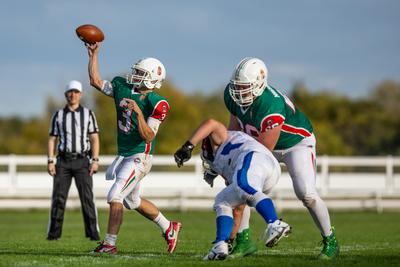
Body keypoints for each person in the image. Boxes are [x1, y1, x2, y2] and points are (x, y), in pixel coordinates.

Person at [224, 57, 339, 259]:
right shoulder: (232, 97)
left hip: (295, 144)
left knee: (307, 194)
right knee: (240, 186)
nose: (240, 92)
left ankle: (330, 240)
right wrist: (226, 156)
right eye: (238, 87)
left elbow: (264, 149)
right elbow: (234, 129)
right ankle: (244, 242)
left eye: (245, 87)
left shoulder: (271, 104)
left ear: (259, 84)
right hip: (261, 143)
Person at [85, 42, 181, 255]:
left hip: (140, 156)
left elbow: (149, 136)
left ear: (151, 78)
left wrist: (138, 112)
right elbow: (95, 81)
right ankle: (169, 227)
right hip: (124, 155)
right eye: (136, 71)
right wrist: (94, 54)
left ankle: (109, 244)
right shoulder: (123, 86)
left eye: (140, 73)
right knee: (133, 201)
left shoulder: (157, 102)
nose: (134, 75)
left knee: (115, 196)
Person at [174, 118, 291, 260]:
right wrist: (230, 239)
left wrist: (189, 145)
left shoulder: (220, 140)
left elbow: (211, 123)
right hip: (265, 174)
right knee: (223, 201)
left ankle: (275, 223)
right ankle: (220, 244)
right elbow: (239, 208)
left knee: (243, 185)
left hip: (257, 157)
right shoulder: (229, 167)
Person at [47, 80, 100, 241]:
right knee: (58, 198)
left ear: (81, 94)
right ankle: (53, 234)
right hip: (63, 161)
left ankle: (93, 233)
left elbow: (94, 138)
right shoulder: (58, 115)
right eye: (70, 92)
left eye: (76, 92)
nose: (73, 95)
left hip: (82, 160)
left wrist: (95, 159)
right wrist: (50, 160)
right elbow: (52, 139)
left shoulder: (88, 114)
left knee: (87, 198)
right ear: (65, 95)